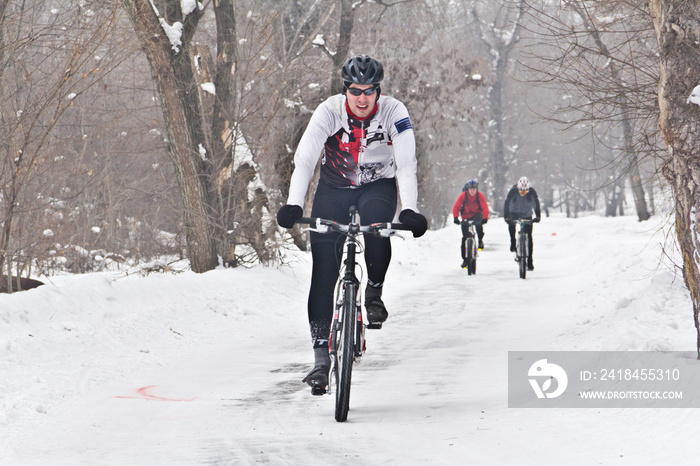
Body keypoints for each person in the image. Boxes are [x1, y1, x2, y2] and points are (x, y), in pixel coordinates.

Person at [276, 55, 427, 394]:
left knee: (376, 224)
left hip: (378, 186)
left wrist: (410, 210)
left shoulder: (394, 112)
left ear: (378, 91)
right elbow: (305, 159)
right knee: (323, 273)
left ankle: (373, 290)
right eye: (355, 91)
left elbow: (406, 164)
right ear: (345, 90)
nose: (362, 99)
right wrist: (295, 204)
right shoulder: (329, 112)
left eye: (369, 91)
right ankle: (320, 360)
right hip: (334, 188)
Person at [503, 176, 541, 271]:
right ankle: (513, 241)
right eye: (521, 191)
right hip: (514, 212)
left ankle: (530, 261)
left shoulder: (532, 192)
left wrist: (538, 216)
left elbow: (536, 204)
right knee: (511, 224)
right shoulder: (512, 191)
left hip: (526, 214)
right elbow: (506, 204)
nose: (523, 193)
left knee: (529, 236)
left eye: (525, 191)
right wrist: (506, 217)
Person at [452, 179, 489, 268]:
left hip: (477, 214)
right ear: (468, 189)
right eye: (470, 189)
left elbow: (485, 207)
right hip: (466, 216)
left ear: (476, 189)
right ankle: (465, 260)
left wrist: (485, 218)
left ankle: (480, 240)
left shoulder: (480, 196)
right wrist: (455, 217)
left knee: (478, 225)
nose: (472, 191)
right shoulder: (463, 196)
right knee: (464, 238)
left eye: (474, 189)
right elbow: (456, 207)